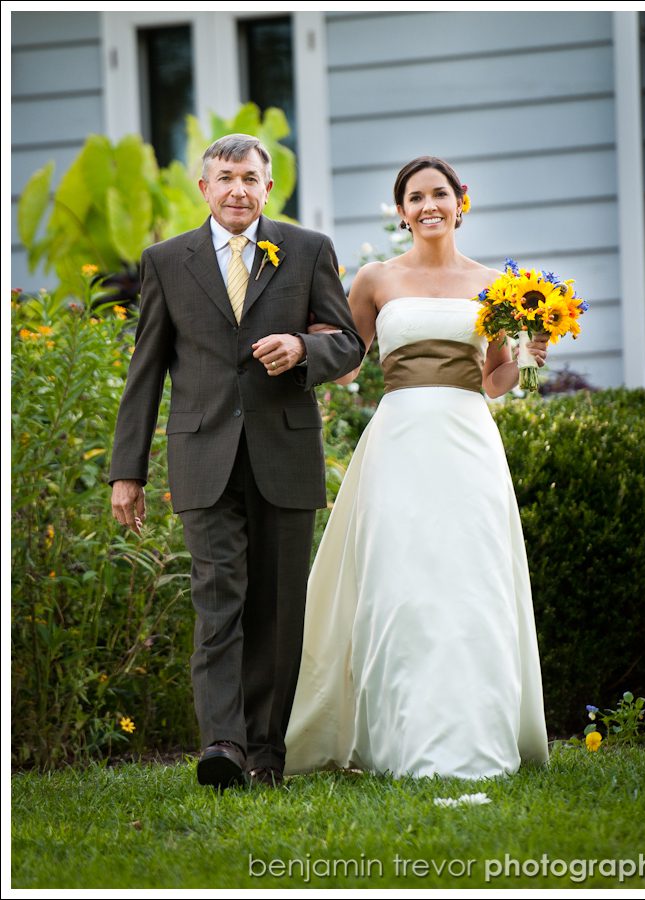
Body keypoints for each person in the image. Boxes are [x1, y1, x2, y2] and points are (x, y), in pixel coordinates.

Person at [109, 134, 364, 790]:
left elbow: (349, 343)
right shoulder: (166, 262)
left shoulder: (307, 251)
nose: (237, 191)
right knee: (217, 598)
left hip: (284, 450)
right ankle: (222, 744)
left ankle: (267, 755)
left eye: (249, 178)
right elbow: (145, 373)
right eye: (224, 178)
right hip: (202, 456)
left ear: (267, 186)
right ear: (204, 188)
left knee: (278, 612)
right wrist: (126, 472)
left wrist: (303, 349)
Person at [284, 156, 550, 779]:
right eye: (414, 197)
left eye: (439, 194)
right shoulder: (375, 279)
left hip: (467, 441)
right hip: (399, 440)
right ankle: (394, 736)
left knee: (470, 581)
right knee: (399, 584)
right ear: (400, 211)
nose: (428, 205)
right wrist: (299, 343)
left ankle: (477, 731)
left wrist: (530, 355)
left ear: (462, 200)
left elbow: (494, 379)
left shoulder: (496, 285)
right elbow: (346, 362)